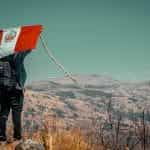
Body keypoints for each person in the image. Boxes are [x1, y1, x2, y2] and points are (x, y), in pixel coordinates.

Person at [0, 50, 31, 142]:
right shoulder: (18, 55)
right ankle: (17, 137)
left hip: (2, 88)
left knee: (3, 113)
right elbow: (28, 49)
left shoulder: (1, 54)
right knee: (16, 113)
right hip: (15, 88)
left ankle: (1, 136)